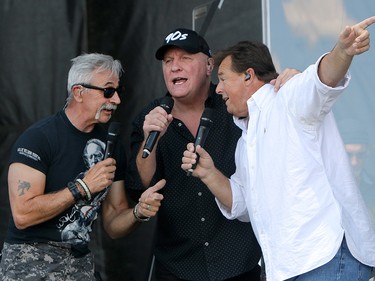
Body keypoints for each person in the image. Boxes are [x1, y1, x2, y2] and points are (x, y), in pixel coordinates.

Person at [181, 17, 375, 281]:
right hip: (287, 267)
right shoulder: (244, 142)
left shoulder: (287, 96)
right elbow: (244, 205)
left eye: (224, 79)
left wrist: (342, 51)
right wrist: (208, 173)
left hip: (325, 256)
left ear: (249, 75)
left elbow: (323, 80)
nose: (220, 89)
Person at [126, 28, 298, 280]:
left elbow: (278, 104)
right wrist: (148, 139)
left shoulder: (235, 103)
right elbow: (138, 187)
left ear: (209, 66)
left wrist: (291, 81)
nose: (175, 67)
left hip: (240, 262)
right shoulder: (149, 116)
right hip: (177, 266)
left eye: (185, 58)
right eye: (168, 61)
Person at [0, 53, 165, 280]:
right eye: (108, 91)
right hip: (30, 261)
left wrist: (138, 213)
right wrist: (82, 187)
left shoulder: (111, 145)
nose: (116, 99)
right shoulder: (39, 138)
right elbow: (22, 214)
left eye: (118, 91)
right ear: (78, 92)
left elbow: (114, 220)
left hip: (80, 263)